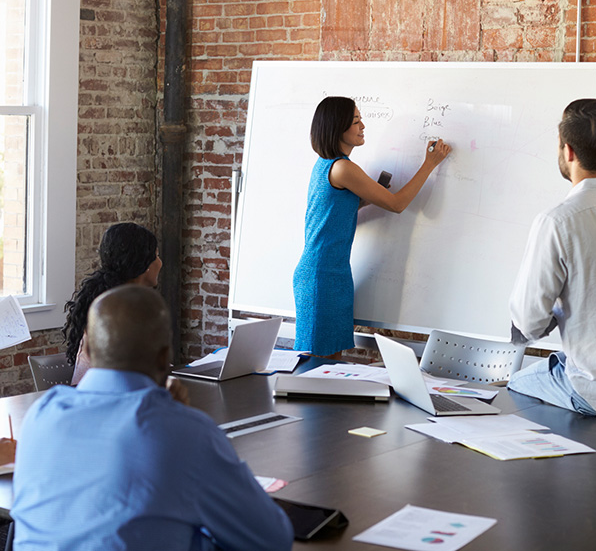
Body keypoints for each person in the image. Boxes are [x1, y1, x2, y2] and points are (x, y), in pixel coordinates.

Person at [11, 285, 293, 550]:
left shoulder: (41, 416)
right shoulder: (185, 434)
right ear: (164, 358)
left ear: (87, 351)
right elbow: (273, 539)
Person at [507, 98, 596, 419]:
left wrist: (557, 310)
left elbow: (528, 323)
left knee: (515, 383)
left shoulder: (558, 220)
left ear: (568, 151)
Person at [293, 96, 451, 356]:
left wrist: (365, 198)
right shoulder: (343, 168)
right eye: (355, 121)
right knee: (319, 367)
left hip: (330, 272)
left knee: (330, 363)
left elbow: (335, 212)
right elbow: (398, 204)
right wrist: (429, 164)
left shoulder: (326, 165)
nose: (363, 126)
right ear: (337, 127)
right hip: (322, 276)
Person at [62, 222, 162, 384]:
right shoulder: (120, 312)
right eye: (157, 256)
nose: (160, 262)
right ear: (145, 265)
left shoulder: (107, 302)